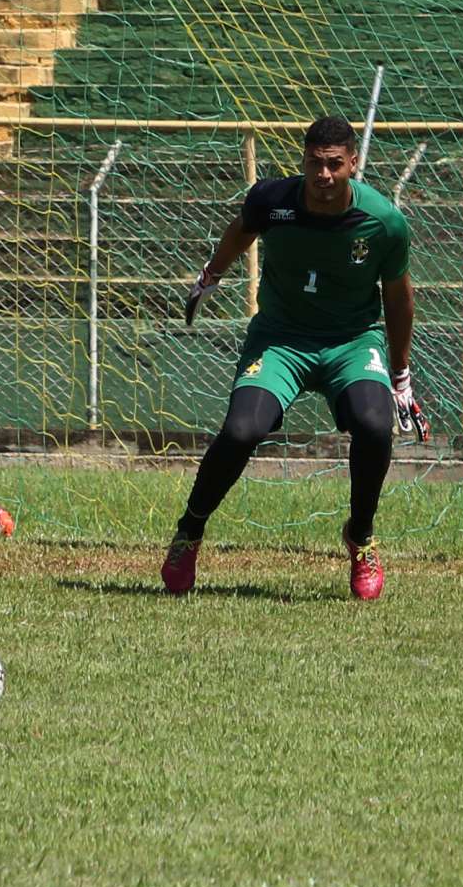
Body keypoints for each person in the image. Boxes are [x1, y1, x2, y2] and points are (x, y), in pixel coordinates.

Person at [164, 115, 425, 601]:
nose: (323, 176)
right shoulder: (273, 200)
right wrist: (211, 276)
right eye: (314, 164)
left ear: (353, 164)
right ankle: (189, 533)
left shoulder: (385, 222)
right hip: (280, 339)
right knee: (242, 431)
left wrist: (401, 376)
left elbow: (400, 299)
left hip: (351, 342)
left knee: (373, 425)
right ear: (302, 162)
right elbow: (241, 230)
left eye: (333, 165)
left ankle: (361, 537)